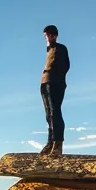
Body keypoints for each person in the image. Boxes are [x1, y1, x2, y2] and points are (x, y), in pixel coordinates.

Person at [40, 24, 70, 157]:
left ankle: (58, 144)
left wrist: (56, 78)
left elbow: (65, 66)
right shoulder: (49, 50)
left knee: (55, 112)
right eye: (46, 35)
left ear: (55, 35)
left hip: (55, 83)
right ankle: (50, 142)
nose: (47, 37)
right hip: (45, 83)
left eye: (49, 35)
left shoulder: (61, 48)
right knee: (48, 115)